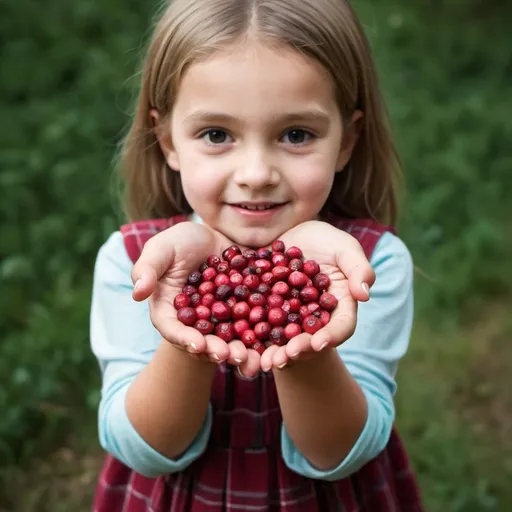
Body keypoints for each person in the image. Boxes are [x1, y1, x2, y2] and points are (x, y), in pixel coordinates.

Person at [90, 0, 425, 510]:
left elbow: (339, 453)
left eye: (296, 135)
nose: (256, 172)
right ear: (168, 140)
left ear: (347, 141)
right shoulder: (139, 263)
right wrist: (187, 335)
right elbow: (145, 449)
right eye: (217, 135)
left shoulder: (366, 265)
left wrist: (305, 345)